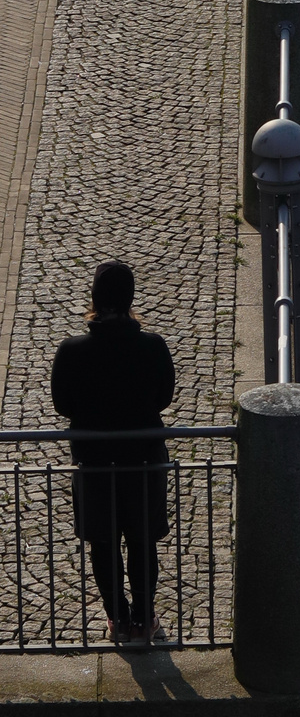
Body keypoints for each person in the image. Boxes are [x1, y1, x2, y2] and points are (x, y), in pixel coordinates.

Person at [51, 261, 175, 644]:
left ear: (94, 298)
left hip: (94, 460)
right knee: (141, 541)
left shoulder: (71, 351)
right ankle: (144, 619)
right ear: (130, 298)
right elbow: (164, 397)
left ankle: (118, 620)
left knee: (103, 542)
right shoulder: (153, 346)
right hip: (142, 458)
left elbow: (62, 404)